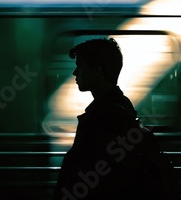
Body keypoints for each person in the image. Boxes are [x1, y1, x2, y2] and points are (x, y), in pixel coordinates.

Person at [53, 38, 147, 200]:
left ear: (97, 70)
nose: (75, 72)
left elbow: (95, 178)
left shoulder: (104, 119)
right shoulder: (122, 108)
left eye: (80, 66)